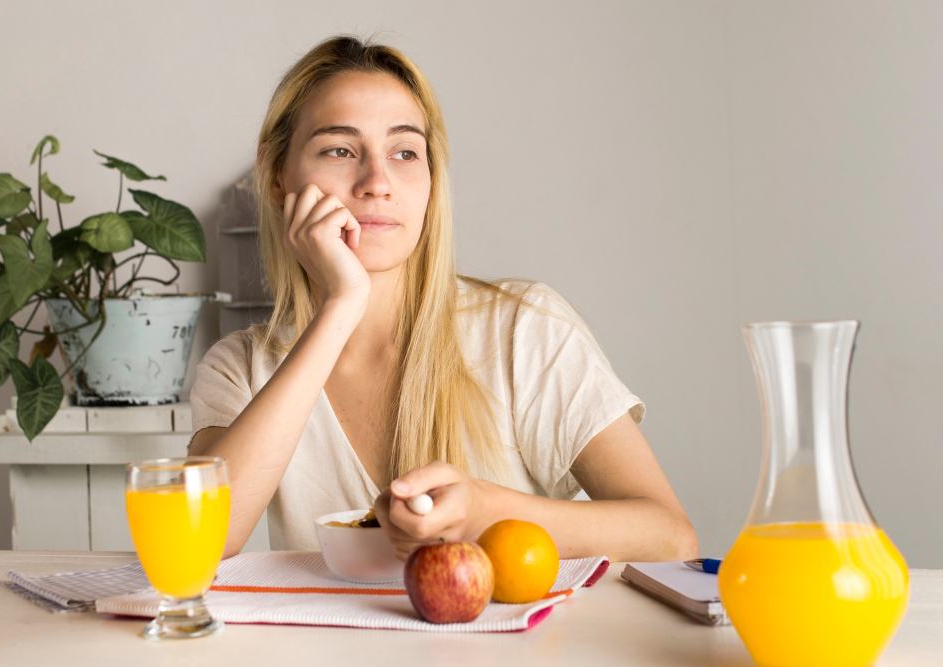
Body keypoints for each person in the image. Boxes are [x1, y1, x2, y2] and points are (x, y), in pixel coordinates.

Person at [189, 35, 698, 563]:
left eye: (405, 152)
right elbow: (201, 540)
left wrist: (485, 512)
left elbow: (670, 536)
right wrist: (341, 306)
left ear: (432, 178)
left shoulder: (523, 329)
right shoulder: (241, 369)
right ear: (276, 177)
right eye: (340, 150)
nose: (377, 182)